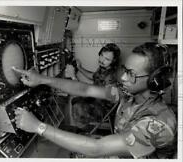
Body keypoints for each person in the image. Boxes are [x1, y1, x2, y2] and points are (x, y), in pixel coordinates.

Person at [13, 43, 176, 158]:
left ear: (155, 80)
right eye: (125, 70)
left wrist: (37, 126)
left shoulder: (158, 124)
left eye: (131, 74)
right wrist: (41, 79)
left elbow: (97, 149)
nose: (124, 77)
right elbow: (86, 89)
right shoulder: (126, 93)